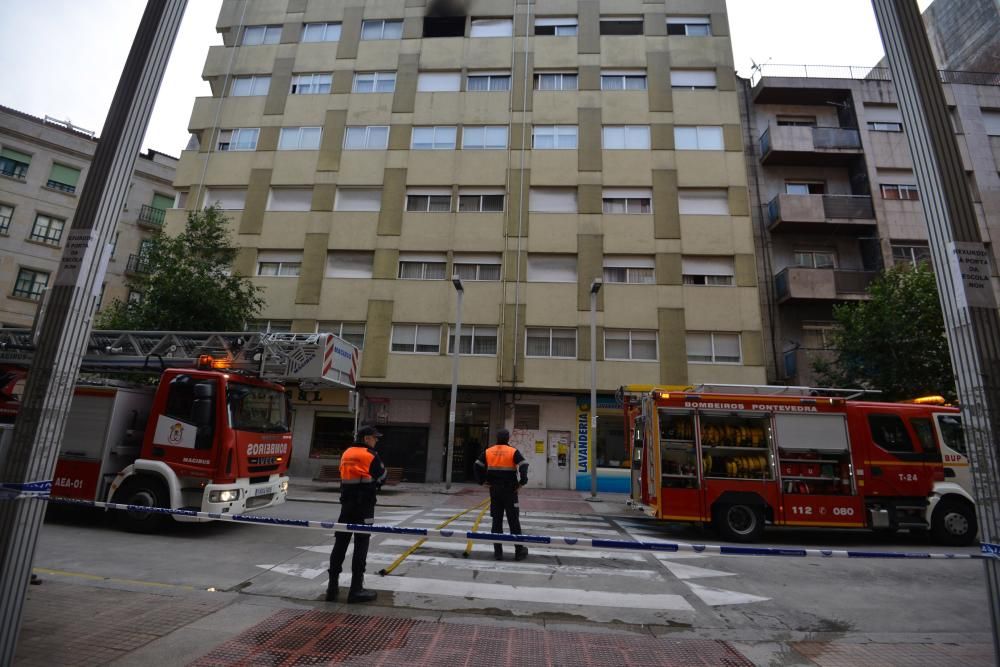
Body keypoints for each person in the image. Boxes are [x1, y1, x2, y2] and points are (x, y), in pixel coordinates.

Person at [326, 425, 387, 603]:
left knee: (340, 544)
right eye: (375, 438)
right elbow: (383, 476)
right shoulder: (370, 455)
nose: (376, 441)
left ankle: (332, 587)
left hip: (346, 505)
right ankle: (356, 589)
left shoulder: (346, 453)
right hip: (365, 507)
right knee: (361, 544)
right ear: (367, 438)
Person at [474, 428, 529, 561]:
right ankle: (518, 551)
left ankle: (498, 552)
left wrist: (482, 481)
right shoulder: (513, 451)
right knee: (514, 520)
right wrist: (522, 481)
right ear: (508, 438)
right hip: (510, 491)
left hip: (495, 491)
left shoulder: (489, 451)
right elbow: (524, 464)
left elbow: (477, 465)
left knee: (496, 521)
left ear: (497, 438)